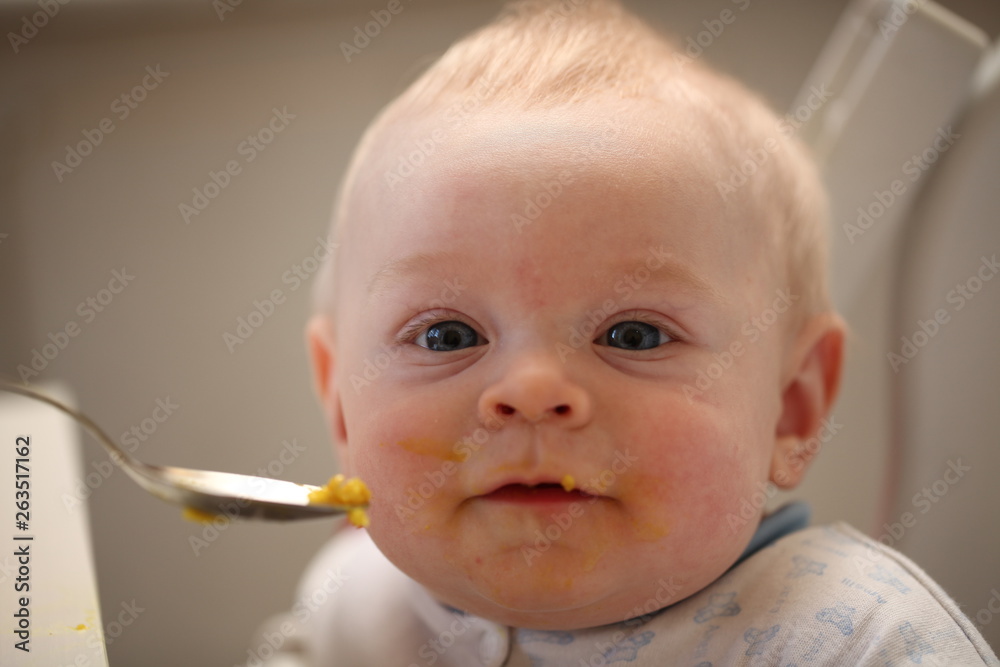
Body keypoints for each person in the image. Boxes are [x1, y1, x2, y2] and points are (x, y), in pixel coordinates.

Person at [248, 1, 999, 664]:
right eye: (446, 335)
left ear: (791, 409)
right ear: (340, 406)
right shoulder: (350, 604)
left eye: (634, 335)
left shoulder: (855, 637)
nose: (531, 391)